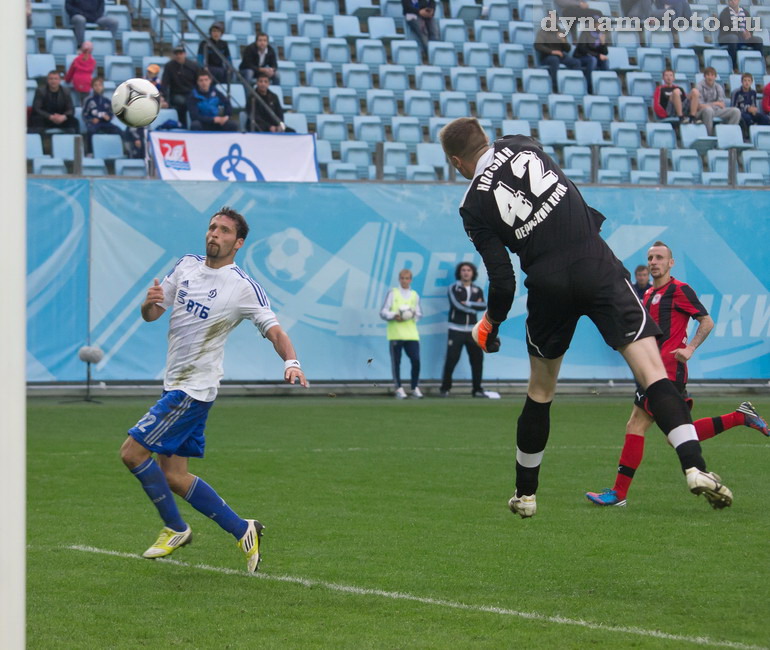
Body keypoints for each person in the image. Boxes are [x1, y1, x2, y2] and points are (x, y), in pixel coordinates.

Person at [439, 117, 733, 519]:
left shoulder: (470, 205)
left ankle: (526, 495)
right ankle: (695, 467)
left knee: (540, 392)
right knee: (653, 375)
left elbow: (503, 282)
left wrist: (491, 322)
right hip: (596, 265)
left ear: (456, 162)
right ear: (487, 139)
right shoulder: (522, 143)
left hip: (548, 284)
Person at [119, 206, 308, 573]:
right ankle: (243, 529)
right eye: (211, 227)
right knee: (173, 475)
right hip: (175, 383)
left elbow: (274, 329)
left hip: (192, 390)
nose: (213, 234)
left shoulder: (241, 286)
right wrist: (147, 303)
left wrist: (291, 361)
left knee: (131, 453)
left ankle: (176, 528)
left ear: (237, 243)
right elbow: (153, 315)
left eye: (223, 231)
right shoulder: (186, 265)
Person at [586, 242, 768, 507]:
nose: (653, 262)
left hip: (668, 371)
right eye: (650, 258)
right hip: (651, 370)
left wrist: (690, 348)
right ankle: (740, 416)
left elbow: (706, 321)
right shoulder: (647, 294)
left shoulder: (680, 290)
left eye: (659, 257)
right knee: (679, 435)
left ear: (671, 263)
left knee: (637, 425)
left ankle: (619, 494)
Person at [439, 262, 487, 398]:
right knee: (451, 359)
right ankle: (445, 388)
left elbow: (483, 306)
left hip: (473, 331)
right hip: (455, 329)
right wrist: (474, 306)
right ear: (459, 273)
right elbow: (457, 305)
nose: (466, 272)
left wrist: (469, 304)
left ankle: (477, 389)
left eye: (469, 270)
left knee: (477, 359)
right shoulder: (453, 288)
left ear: (473, 273)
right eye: (463, 270)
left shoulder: (478, 290)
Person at [380, 269, 423, 399]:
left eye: (407, 278)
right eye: (402, 278)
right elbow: (383, 312)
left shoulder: (414, 295)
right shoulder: (393, 293)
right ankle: (398, 388)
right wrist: (394, 315)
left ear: (411, 280)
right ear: (399, 279)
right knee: (396, 362)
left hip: (411, 334)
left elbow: (420, 314)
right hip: (396, 334)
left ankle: (415, 387)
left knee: (416, 360)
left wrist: (413, 314)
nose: (405, 280)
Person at [691, 67, 741, 136]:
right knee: (709, 110)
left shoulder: (718, 87)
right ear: (704, 76)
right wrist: (715, 103)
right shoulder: (699, 86)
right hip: (702, 112)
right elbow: (699, 105)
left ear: (715, 77)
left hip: (716, 110)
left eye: (712, 75)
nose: (710, 77)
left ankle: (728, 135)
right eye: (708, 75)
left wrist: (713, 104)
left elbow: (722, 104)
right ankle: (709, 136)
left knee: (736, 111)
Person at [717, 0, 763, 72]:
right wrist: (741, 32)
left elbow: (750, 27)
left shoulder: (745, 12)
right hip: (726, 37)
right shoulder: (725, 12)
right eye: (730, 0)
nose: (732, 2)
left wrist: (749, 33)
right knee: (733, 38)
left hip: (742, 38)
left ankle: (757, 65)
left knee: (758, 40)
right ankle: (734, 66)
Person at [534, 26, 582, 93]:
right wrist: (552, 52)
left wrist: (564, 41)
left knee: (576, 62)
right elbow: (537, 46)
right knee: (554, 60)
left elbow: (567, 50)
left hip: (560, 57)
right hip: (547, 56)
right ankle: (555, 86)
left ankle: (575, 85)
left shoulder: (560, 32)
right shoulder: (543, 32)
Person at [161, 44, 200, 126]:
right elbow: (165, 83)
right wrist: (163, 96)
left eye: (180, 53)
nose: (178, 56)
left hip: (191, 92)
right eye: (176, 54)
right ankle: (184, 124)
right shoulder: (169, 66)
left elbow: (198, 81)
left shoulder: (193, 66)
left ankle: (196, 124)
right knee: (183, 102)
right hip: (176, 93)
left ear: (185, 54)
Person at [82, 76, 123, 152]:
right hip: (94, 124)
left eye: (100, 85)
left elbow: (111, 113)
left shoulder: (107, 101)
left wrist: (109, 117)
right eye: (95, 85)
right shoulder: (88, 100)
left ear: (103, 87)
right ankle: (90, 152)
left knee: (118, 131)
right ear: (92, 87)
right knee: (91, 131)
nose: (98, 87)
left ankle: (119, 151)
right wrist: (91, 119)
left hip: (105, 123)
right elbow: (84, 114)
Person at [574, 30, 608, 95]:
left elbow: (605, 52)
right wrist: (597, 55)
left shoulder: (601, 35)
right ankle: (588, 86)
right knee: (593, 60)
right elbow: (582, 49)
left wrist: (603, 43)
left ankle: (603, 87)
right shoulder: (585, 33)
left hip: (594, 57)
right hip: (582, 57)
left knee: (605, 61)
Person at [64, 40, 96, 105]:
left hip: (76, 82)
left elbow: (70, 72)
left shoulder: (76, 60)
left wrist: (67, 80)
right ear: (91, 50)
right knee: (85, 102)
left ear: (81, 49)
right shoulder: (93, 61)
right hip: (87, 83)